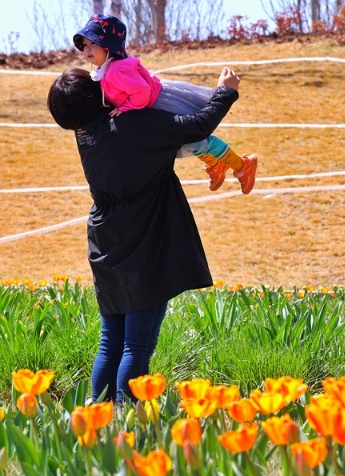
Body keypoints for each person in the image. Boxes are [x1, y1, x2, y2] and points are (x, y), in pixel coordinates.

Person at [47, 65, 243, 403]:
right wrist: (225, 91)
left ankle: (101, 416)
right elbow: (196, 127)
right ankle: (128, 422)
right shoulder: (134, 125)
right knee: (136, 345)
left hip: (105, 241)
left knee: (111, 341)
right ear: (100, 93)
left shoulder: (86, 135)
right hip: (145, 237)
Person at [73, 13, 257, 194]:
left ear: (108, 46)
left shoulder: (115, 71)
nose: (87, 49)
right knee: (185, 143)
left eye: (93, 44)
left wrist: (125, 108)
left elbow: (142, 92)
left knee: (195, 138)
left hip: (159, 105)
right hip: (151, 107)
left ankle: (243, 165)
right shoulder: (108, 68)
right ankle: (215, 163)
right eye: (85, 44)